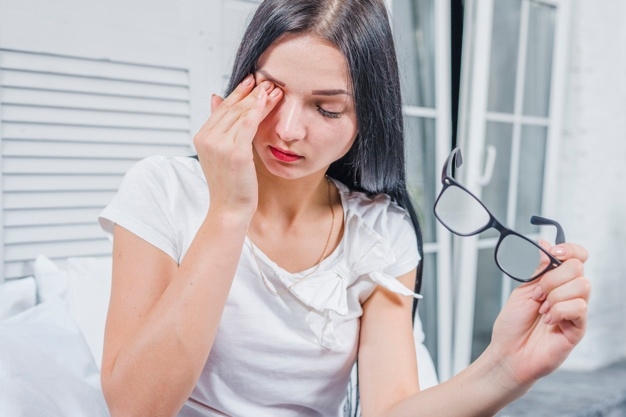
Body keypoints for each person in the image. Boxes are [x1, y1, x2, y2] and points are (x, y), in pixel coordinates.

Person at [98, 0, 591, 416]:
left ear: (365, 119)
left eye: (327, 108)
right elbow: (136, 406)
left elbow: (390, 408)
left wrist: (505, 367)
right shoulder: (162, 188)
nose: (289, 129)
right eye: (272, 92)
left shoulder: (379, 231)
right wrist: (229, 212)